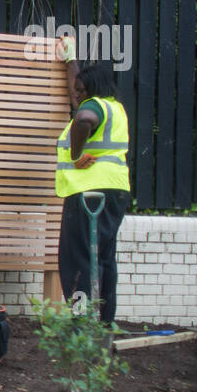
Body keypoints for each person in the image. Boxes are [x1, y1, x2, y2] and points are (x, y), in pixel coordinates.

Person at [55, 62, 130, 324]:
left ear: (92, 90)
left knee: (78, 261)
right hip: (116, 192)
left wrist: (76, 155)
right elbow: (81, 101)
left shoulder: (93, 106)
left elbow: (84, 117)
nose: (77, 96)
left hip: (89, 195)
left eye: (81, 92)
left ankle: (81, 323)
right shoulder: (115, 109)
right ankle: (105, 322)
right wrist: (71, 61)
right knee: (104, 258)